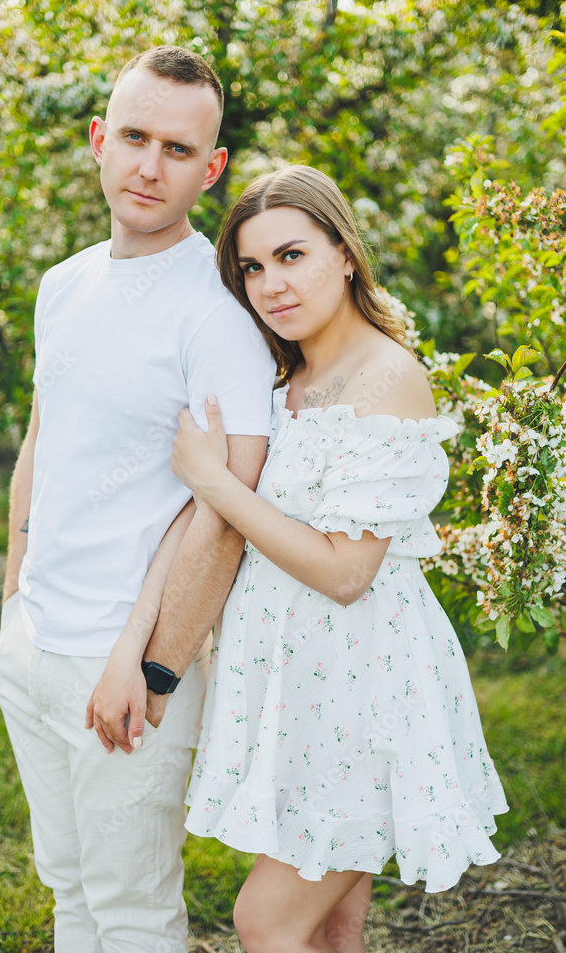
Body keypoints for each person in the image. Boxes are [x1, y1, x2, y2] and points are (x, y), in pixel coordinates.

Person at [168, 165, 508, 953]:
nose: (270, 285)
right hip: (299, 693)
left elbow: (345, 573)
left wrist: (214, 482)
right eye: (251, 268)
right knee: (331, 928)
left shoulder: (385, 379)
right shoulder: (293, 376)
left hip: (357, 694)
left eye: (291, 256)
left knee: (264, 920)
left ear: (344, 253)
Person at [0, 46, 276, 953]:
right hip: (33, 645)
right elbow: (43, 441)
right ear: (98, 140)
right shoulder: (62, 284)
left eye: (179, 150)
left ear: (213, 167)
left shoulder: (220, 313)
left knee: (133, 914)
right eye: (135, 137)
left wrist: (153, 669)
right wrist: (12, 602)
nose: (151, 166)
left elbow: (223, 512)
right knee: (68, 889)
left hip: (124, 670)